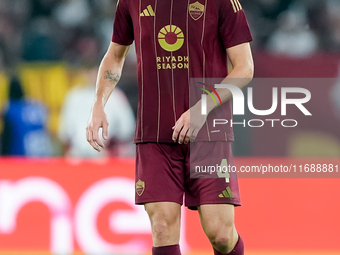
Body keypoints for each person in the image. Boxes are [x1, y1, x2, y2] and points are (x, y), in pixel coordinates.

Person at [86, 0, 254, 254]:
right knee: (163, 228)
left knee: (220, 234)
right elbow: (114, 55)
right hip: (155, 135)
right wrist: (98, 102)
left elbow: (244, 67)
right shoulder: (131, 2)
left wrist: (202, 108)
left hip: (208, 133)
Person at [59, 66, 135, 158]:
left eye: (97, 73)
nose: (93, 76)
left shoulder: (115, 96)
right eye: (90, 73)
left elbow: (127, 129)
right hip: (77, 154)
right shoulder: (74, 96)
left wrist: (113, 145)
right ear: (84, 74)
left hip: (106, 153)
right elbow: (64, 133)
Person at [1, 76, 53, 156]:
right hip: (42, 156)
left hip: (22, 158)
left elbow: (6, 138)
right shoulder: (37, 107)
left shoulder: (11, 109)